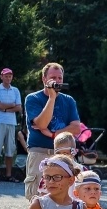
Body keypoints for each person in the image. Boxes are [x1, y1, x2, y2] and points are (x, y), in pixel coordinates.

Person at [24, 63, 81, 201]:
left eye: (60, 78)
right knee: (37, 196)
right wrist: (52, 98)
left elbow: (76, 128)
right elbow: (42, 124)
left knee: (65, 195)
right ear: (44, 79)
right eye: (53, 77)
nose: (57, 81)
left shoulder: (69, 100)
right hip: (40, 152)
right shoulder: (33, 99)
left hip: (63, 154)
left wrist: (53, 134)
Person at [0, 68, 22, 183]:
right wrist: (11, 105)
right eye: (6, 76)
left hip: (11, 123)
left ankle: (9, 175)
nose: (8, 78)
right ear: (1, 77)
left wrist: (6, 109)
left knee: (10, 149)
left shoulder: (15, 90)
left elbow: (19, 107)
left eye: (10, 76)